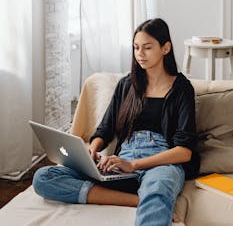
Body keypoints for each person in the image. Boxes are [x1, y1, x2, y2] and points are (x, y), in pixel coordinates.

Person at [33, 18, 200, 226]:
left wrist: (134, 165)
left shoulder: (182, 89)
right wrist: (92, 150)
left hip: (161, 163)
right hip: (121, 164)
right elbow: (105, 129)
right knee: (44, 177)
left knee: (157, 190)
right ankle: (138, 200)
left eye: (147, 47)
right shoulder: (126, 85)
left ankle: (151, 199)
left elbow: (184, 151)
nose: (140, 53)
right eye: (136, 47)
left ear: (166, 48)